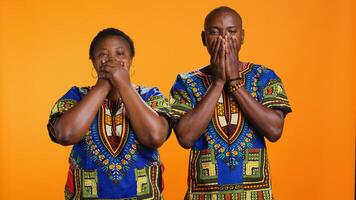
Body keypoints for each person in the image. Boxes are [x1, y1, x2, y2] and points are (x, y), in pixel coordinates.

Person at [170, 6, 292, 199]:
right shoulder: (186, 82)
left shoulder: (265, 77)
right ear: (204, 38)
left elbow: (274, 130)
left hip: (255, 195)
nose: (223, 39)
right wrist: (219, 82)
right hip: (204, 195)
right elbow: (185, 137)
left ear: (242, 36)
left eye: (231, 32)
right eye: (214, 32)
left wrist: (235, 82)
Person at [47, 28, 171, 199]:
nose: (112, 60)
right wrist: (103, 85)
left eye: (120, 54)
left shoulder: (151, 96)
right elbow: (65, 134)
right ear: (93, 61)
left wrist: (124, 86)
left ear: (130, 60)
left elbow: (155, 137)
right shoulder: (76, 96)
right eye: (102, 55)